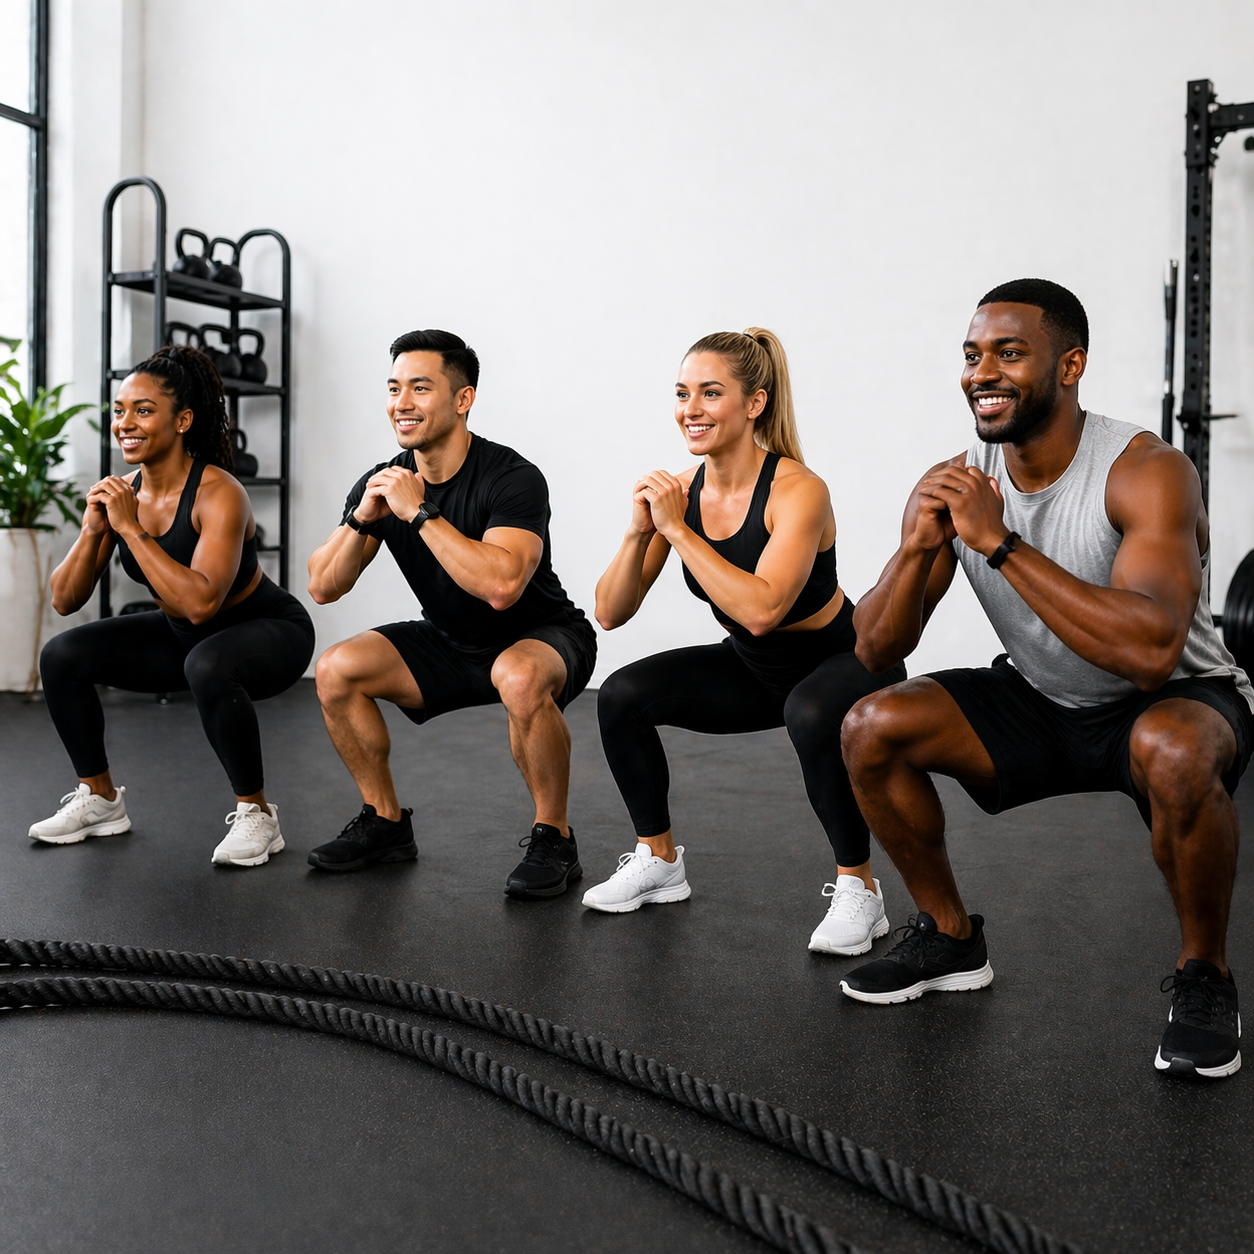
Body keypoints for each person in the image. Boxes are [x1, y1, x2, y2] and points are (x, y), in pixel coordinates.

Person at [840, 278, 1253, 1079]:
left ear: (1070, 366)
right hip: (1041, 696)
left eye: (1008, 352)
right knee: (870, 726)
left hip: (1166, 700)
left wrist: (997, 544)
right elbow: (874, 647)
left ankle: (1206, 975)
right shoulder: (956, 480)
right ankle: (951, 937)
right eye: (971, 355)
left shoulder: (1146, 471)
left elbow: (1151, 653)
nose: (981, 372)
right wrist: (919, 548)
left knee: (1174, 748)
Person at [589, 327, 905, 948]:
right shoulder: (681, 494)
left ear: (754, 404)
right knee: (621, 694)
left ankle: (861, 892)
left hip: (846, 659)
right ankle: (659, 861)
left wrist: (678, 533)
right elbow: (609, 612)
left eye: (710, 393)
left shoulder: (798, 489)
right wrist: (638, 532)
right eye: (682, 394)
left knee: (810, 712)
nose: (691, 409)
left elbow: (763, 609)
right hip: (754, 668)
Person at [306, 329, 596, 893]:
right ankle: (385, 822)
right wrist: (365, 516)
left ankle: (554, 838)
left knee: (516, 674)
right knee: (337, 668)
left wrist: (418, 514)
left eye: (419, 387)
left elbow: (503, 584)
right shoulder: (385, 482)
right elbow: (322, 585)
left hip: (542, 635)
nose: (402, 403)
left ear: (463, 400)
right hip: (451, 641)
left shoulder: (512, 476)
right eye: (394, 388)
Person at [33, 345, 315, 866]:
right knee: (61, 655)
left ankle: (257, 814)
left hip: (269, 632)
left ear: (183, 419)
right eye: (119, 410)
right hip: (185, 637)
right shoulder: (122, 496)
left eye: (143, 410)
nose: (126, 423)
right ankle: (99, 798)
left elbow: (202, 602)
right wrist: (95, 528)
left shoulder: (219, 492)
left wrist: (130, 528)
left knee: (208, 662)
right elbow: (65, 598)